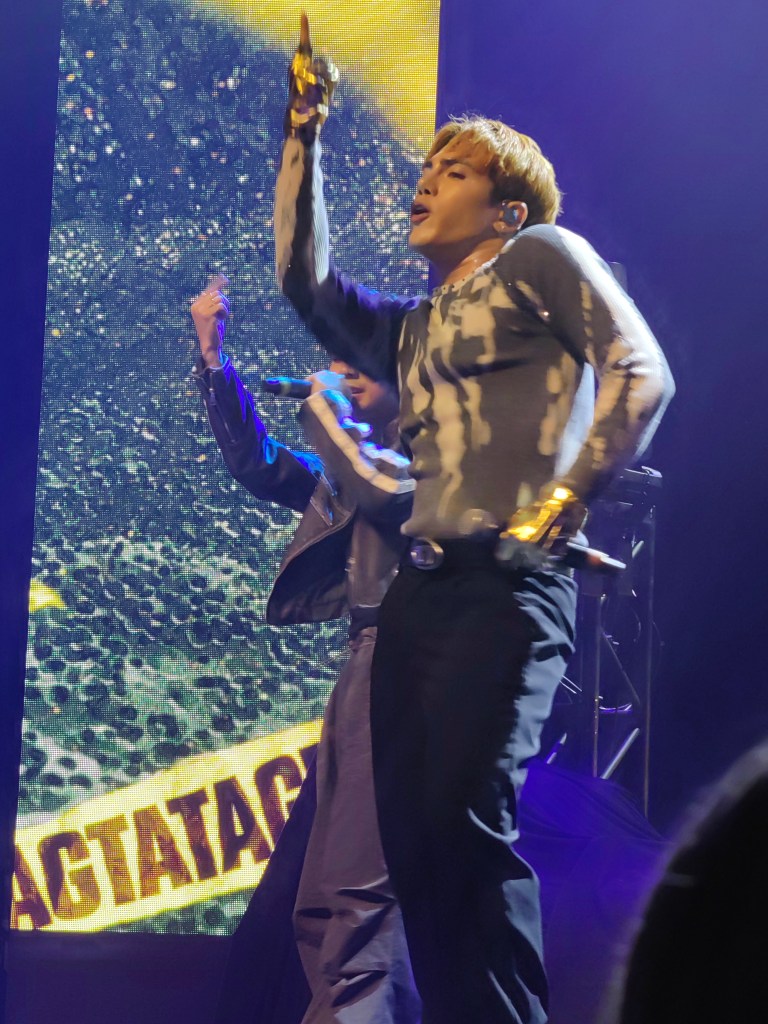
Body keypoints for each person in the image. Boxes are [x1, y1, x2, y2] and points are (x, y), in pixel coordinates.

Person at [271, 16, 675, 1024]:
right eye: (429, 166)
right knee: (413, 850)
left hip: (507, 585)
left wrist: (567, 497)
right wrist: (303, 133)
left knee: (462, 827)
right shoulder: (416, 326)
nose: (426, 181)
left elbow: (642, 370)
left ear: (504, 209)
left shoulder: (539, 255)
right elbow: (303, 282)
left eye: (452, 172)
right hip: (418, 598)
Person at [190, 285, 420, 1024]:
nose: (340, 372)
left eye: (359, 364)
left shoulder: (431, 465)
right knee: (318, 892)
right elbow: (259, 464)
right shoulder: (349, 476)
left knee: (363, 892)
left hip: (408, 669)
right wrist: (214, 360)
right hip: (363, 663)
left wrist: (329, 416)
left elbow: (386, 493)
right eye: (336, 361)